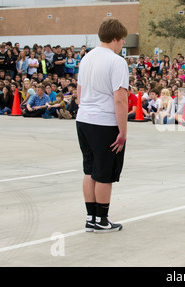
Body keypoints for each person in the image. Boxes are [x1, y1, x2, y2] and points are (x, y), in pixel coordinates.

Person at [76, 17, 129, 233]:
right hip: (104, 123)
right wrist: (123, 131)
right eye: (123, 40)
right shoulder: (117, 62)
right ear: (115, 39)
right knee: (104, 172)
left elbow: (79, 92)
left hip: (84, 119)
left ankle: (91, 218)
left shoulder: (86, 58)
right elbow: (120, 98)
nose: (123, 44)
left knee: (90, 170)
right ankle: (102, 219)